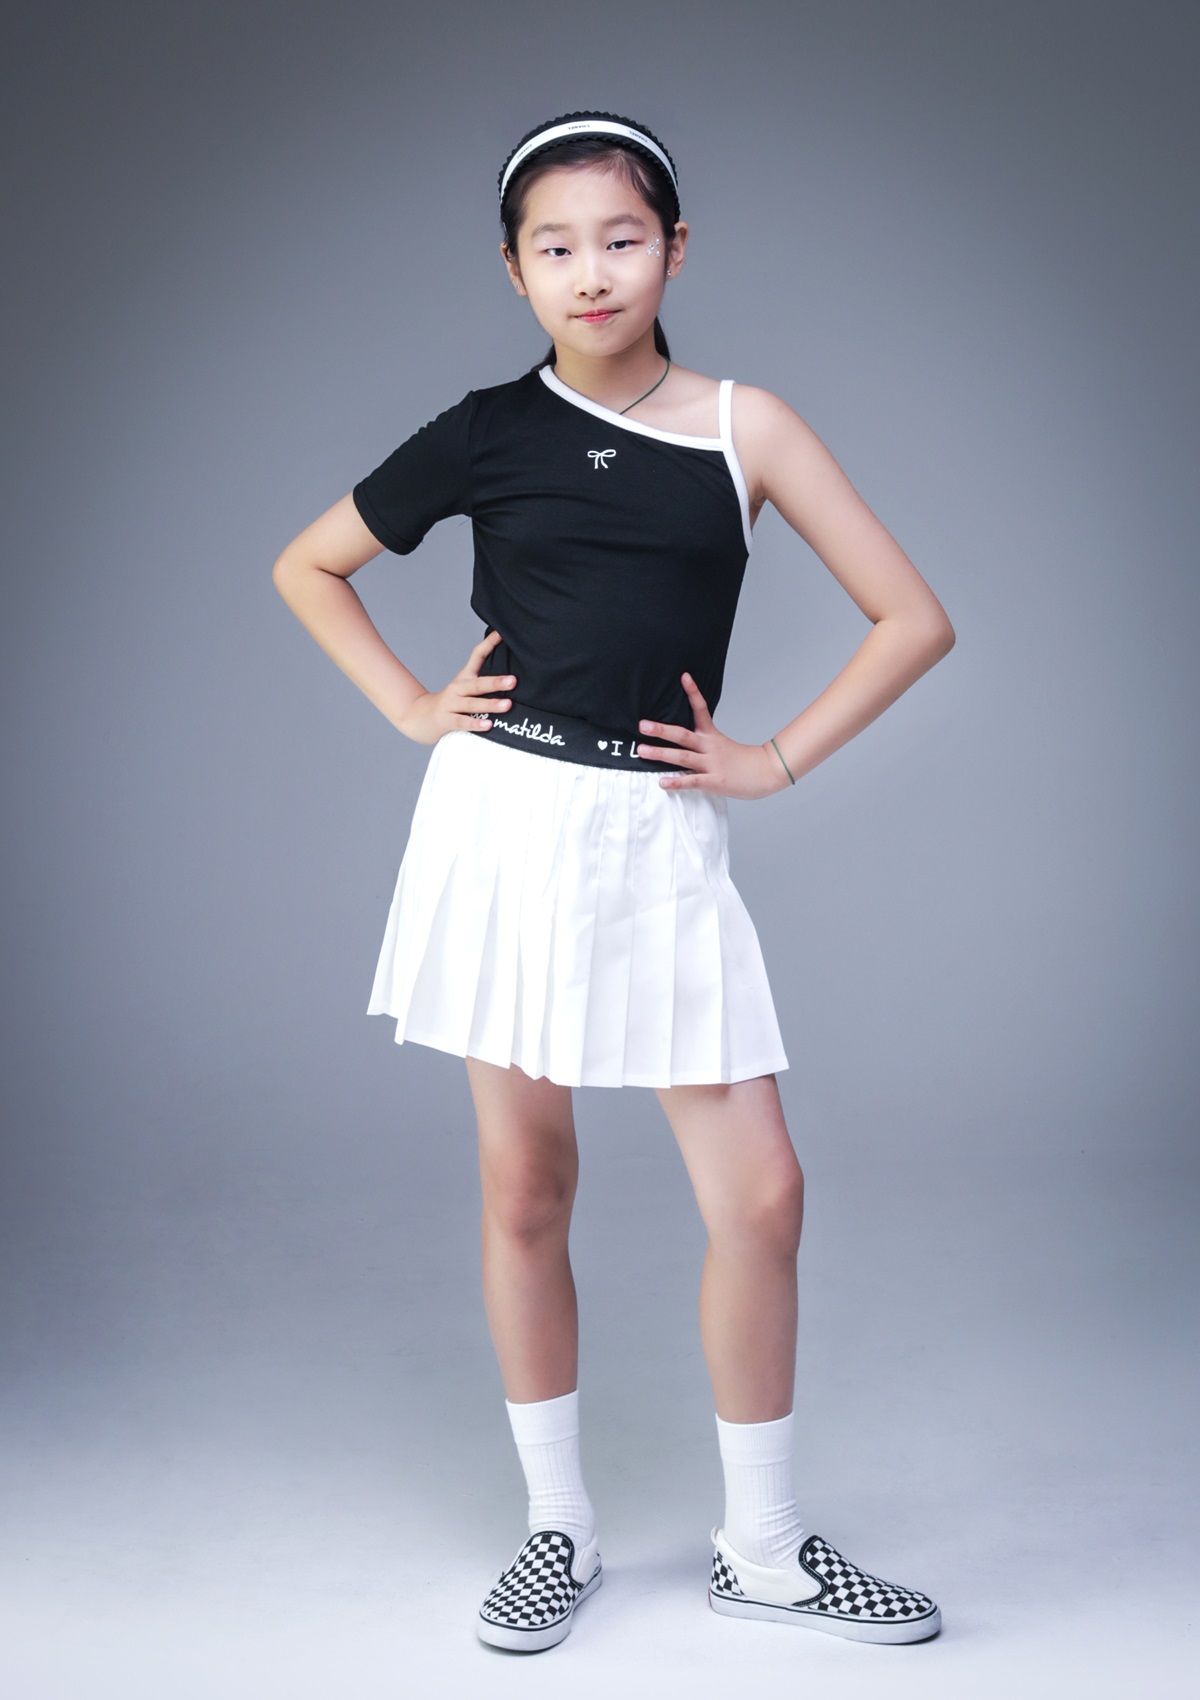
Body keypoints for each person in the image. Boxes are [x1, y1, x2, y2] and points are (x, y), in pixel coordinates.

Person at [272, 110, 955, 1653]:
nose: (592, 272)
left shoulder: (746, 427)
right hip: (504, 819)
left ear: (676, 250)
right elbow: (308, 563)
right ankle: (557, 1529)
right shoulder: (483, 432)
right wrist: (410, 705)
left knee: (764, 1194)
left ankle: (763, 1549)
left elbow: (912, 617)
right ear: (513, 271)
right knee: (528, 1186)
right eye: (557, 247)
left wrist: (773, 759)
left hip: (654, 837)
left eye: (623, 239)